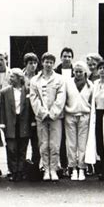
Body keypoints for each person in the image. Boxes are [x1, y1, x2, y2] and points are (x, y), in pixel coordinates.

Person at [29, 52, 66, 181]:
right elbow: (33, 99)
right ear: (42, 63)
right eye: (46, 62)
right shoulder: (35, 80)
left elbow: (61, 98)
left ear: (53, 64)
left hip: (55, 117)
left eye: (51, 62)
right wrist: (43, 113)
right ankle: (46, 169)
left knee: (55, 144)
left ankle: (54, 169)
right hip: (41, 117)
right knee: (43, 144)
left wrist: (53, 113)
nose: (48, 64)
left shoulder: (60, 79)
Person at [0, 68, 34, 181]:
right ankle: (13, 171)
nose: (10, 78)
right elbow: (2, 109)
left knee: (22, 148)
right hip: (10, 122)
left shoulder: (28, 91)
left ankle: (20, 171)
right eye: (9, 76)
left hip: (24, 121)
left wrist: (32, 121)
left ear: (19, 78)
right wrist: (2, 122)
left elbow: (31, 108)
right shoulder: (4, 92)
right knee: (11, 148)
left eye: (12, 76)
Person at [63, 61, 93, 181]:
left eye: (81, 71)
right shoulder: (68, 83)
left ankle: (81, 168)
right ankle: (73, 169)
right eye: (76, 71)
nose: (78, 74)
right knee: (71, 144)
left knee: (82, 144)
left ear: (85, 72)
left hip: (84, 117)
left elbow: (92, 102)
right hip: (70, 116)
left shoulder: (90, 85)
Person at [54, 47, 75, 177]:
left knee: (72, 138)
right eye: (64, 56)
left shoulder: (77, 71)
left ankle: (75, 165)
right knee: (60, 139)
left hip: (72, 108)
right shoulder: (56, 71)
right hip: (60, 108)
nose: (67, 58)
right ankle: (63, 165)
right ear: (61, 57)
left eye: (69, 56)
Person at [23, 52, 40, 166]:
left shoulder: (40, 77)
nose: (33, 66)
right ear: (25, 64)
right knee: (23, 142)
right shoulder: (20, 76)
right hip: (23, 113)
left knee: (36, 142)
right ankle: (22, 167)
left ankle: (35, 167)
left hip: (35, 113)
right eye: (30, 63)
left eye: (35, 63)